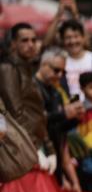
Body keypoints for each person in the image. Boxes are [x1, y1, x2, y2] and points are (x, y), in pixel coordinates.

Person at [0, 22, 57, 175]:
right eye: (24, 40)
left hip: (32, 144)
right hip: (22, 149)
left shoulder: (26, 66)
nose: (31, 45)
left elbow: (37, 113)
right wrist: (34, 148)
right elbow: (15, 112)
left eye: (33, 40)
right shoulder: (8, 69)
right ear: (13, 44)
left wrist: (49, 148)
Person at [34, 47, 84, 188]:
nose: (60, 74)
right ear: (44, 65)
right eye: (56, 70)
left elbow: (58, 128)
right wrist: (64, 114)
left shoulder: (56, 91)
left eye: (63, 71)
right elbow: (35, 121)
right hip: (40, 154)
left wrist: (75, 118)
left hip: (56, 155)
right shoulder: (31, 89)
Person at [59, 19, 92, 98]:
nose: (73, 41)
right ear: (63, 40)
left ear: (83, 38)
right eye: (68, 37)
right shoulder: (59, 64)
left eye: (76, 36)